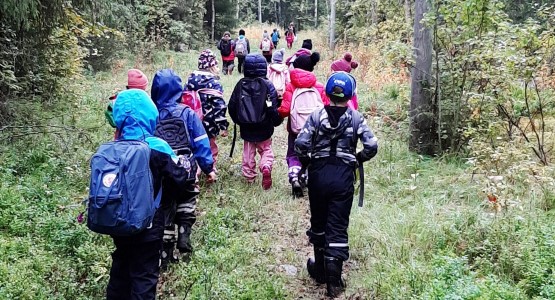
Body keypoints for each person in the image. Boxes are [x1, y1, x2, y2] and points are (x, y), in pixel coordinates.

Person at [294, 72, 378, 298]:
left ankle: (320, 270)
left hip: (318, 175)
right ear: (350, 94)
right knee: (338, 226)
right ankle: (334, 282)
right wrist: (357, 159)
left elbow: (301, 144)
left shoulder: (315, 116)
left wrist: (308, 160)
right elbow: (372, 146)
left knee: (319, 222)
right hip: (343, 176)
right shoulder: (356, 118)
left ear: (328, 92)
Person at [106, 89, 193, 299]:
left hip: (118, 224)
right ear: (149, 115)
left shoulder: (113, 147)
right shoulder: (157, 146)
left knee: (120, 267)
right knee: (144, 275)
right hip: (149, 226)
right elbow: (181, 178)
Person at [150, 69, 217, 269]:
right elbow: (201, 142)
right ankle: (184, 231)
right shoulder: (187, 112)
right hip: (185, 166)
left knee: (165, 206)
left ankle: (166, 250)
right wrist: (208, 168)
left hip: (161, 171)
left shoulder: (152, 115)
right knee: (188, 198)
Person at [278, 52, 329, 197]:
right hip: (315, 130)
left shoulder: (291, 86)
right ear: (312, 68)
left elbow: (285, 109)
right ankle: (306, 177)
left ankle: (294, 177)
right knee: (312, 154)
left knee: (293, 154)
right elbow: (325, 107)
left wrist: (278, 114)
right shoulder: (319, 87)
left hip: (295, 129)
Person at [228, 53, 282, 189]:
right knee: (266, 149)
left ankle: (249, 177)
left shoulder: (240, 84)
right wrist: (276, 121)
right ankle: (266, 166)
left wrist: (239, 120)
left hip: (246, 127)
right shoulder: (268, 85)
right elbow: (274, 107)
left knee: (248, 153)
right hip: (264, 127)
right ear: (264, 68)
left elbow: (232, 105)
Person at [185, 50, 229, 172]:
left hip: (191, 120)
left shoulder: (190, 80)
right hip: (209, 123)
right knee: (210, 147)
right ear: (212, 65)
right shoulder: (214, 83)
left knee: (193, 145)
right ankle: (210, 169)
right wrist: (223, 125)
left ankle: (194, 169)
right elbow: (219, 106)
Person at [105, 69, 149, 139]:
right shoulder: (146, 100)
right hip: (141, 136)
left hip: (122, 137)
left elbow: (109, 113)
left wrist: (119, 123)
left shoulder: (119, 98)